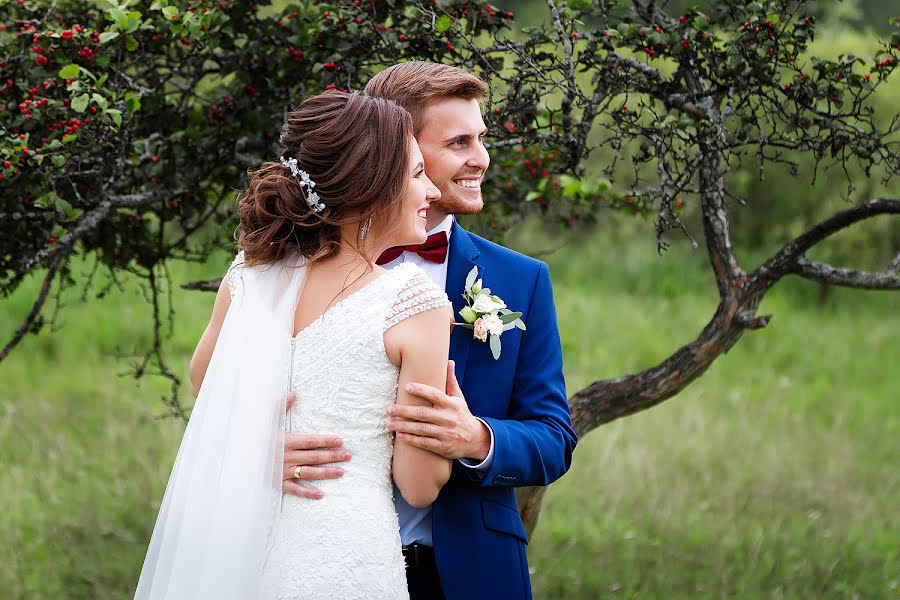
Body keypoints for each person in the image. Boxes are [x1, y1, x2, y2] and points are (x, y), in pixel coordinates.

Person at [134, 90, 453, 600]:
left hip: (238, 545)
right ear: (374, 188)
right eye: (417, 174)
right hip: (345, 557)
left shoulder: (248, 277)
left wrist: (254, 451)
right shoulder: (416, 304)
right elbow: (418, 485)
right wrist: (449, 420)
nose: (431, 190)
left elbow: (204, 384)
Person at [281, 62, 578, 599]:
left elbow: (555, 438)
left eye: (481, 139)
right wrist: (261, 451)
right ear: (395, 154)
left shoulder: (520, 279)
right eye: (459, 142)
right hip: (315, 555)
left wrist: (478, 439)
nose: (481, 159)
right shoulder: (292, 274)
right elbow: (229, 390)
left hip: (469, 574)